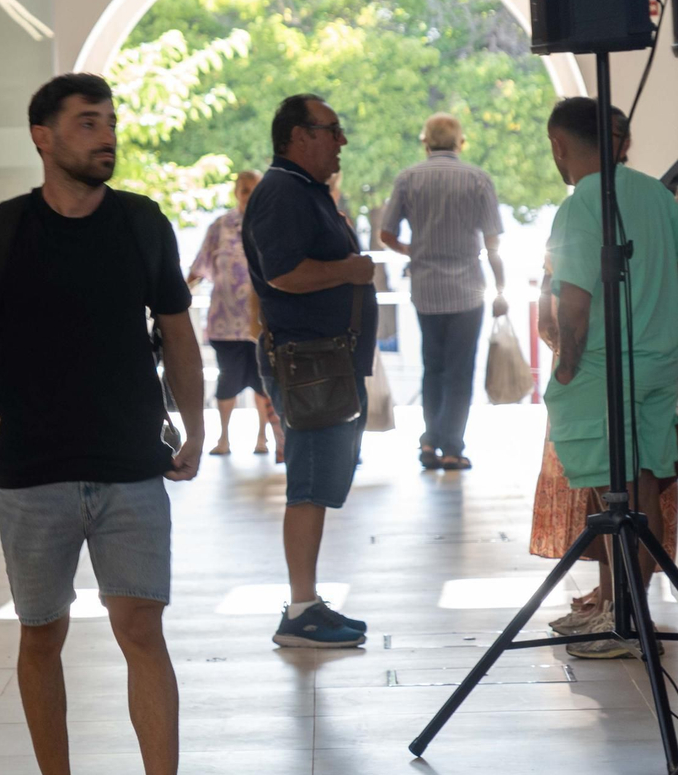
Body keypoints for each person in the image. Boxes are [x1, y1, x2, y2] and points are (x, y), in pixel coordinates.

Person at [0, 73, 210, 775]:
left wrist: (195, 425)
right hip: (34, 473)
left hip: (128, 467)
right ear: (43, 137)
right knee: (41, 635)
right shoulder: (0, 232)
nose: (106, 136)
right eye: (88, 124)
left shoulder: (141, 225)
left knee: (141, 630)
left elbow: (178, 335)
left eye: (111, 122)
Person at [541, 97, 678, 658]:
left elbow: (574, 301)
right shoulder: (650, 191)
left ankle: (628, 623)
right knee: (630, 489)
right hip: (657, 360)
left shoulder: (581, 205)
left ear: (560, 146)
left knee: (623, 492)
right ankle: (620, 609)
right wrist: (650, 277)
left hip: (602, 365)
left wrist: (566, 365)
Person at [243, 94, 377, 649]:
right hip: (308, 364)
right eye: (331, 130)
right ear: (298, 137)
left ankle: (308, 602)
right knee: (307, 485)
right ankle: (299, 610)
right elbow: (284, 274)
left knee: (318, 485)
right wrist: (350, 269)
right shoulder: (282, 192)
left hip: (326, 361)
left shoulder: (302, 191)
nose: (340, 141)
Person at [379, 113, 505, 471]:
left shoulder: (408, 179)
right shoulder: (478, 179)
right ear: (460, 142)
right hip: (468, 288)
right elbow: (492, 240)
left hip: (426, 287)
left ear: (425, 142)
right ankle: (452, 447)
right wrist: (501, 286)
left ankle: (429, 440)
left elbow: (386, 235)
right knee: (459, 370)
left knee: (432, 366)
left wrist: (412, 251)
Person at [189, 169, 281, 458]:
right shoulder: (220, 226)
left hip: (261, 321)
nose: (249, 194)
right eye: (244, 189)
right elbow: (200, 265)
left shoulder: (271, 224)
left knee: (262, 380)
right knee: (227, 379)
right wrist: (175, 294)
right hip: (225, 322)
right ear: (236, 193)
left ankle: (263, 438)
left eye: (254, 189)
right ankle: (224, 438)